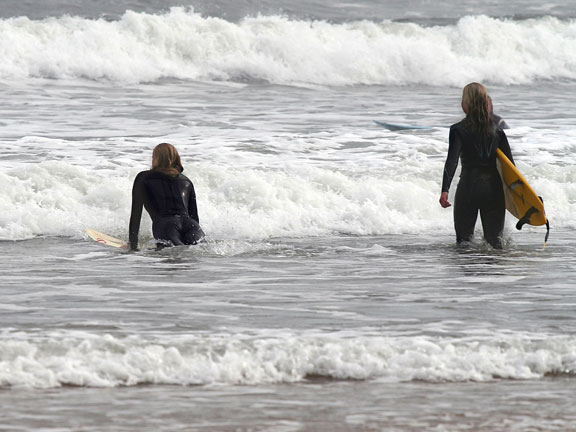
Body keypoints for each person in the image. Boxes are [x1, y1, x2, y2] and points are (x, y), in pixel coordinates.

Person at [439, 83, 514, 249]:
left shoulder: (458, 130)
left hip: (469, 187)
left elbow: (451, 161)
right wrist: (517, 197)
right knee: (495, 244)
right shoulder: (498, 131)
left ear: (466, 104)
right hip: (494, 190)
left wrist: (445, 190)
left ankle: (469, 273)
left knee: (464, 243)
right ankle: (495, 274)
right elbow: (510, 168)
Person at [129, 143, 204, 250]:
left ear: (156, 158)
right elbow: (194, 217)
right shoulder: (186, 181)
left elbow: (136, 214)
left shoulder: (143, 178)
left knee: (174, 257)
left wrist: (132, 246)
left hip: (166, 226)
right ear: (176, 159)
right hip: (192, 226)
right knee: (193, 253)